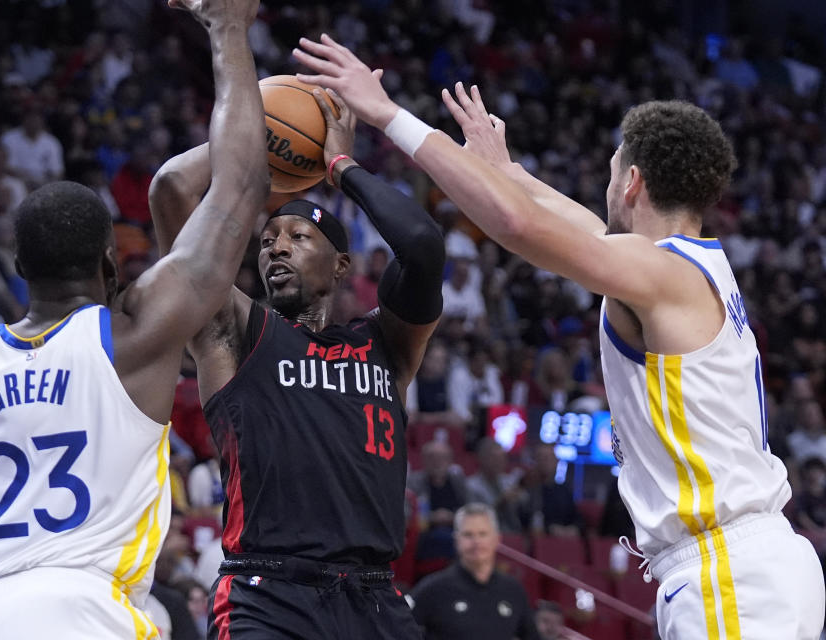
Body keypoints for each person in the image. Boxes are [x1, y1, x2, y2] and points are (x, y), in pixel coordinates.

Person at [294, 34, 826, 639]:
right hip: (745, 565)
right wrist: (506, 170)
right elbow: (583, 227)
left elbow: (519, 227)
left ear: (631, 184)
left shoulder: (658, 273)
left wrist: (388, 114)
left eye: (609, 176)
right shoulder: (687, 264)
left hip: (732, 574)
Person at [0, 1, 269, 637]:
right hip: (85, 610)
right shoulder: (134, 334)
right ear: (112, 265)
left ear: (20, 267)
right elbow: (239, 187)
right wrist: (228, 29)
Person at [148, 73, 445, 640]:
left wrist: (339, 167)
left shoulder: (384, 343)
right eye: (266, 241)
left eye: (298, 237)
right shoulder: (234, 332)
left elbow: (423, 245)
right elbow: (171, 190)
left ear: (341, 265)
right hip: (268, 596)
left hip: (375, 599)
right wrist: (256, 121)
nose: (276, 246)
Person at [409, 503, 539, 640]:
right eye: (468, 534)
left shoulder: (513, 590)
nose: (476, 542)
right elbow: (397, 629)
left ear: (497, 539)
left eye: (482, 534)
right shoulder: (432, 588)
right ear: (456, 540)